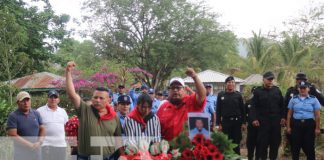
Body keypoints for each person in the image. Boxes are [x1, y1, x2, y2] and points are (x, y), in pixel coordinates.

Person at [65, 61, 122, 160]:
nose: (97, 100)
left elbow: (118, 138)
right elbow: (72, 95)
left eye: (101, 98)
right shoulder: (85, 110)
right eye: (95, 97)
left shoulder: (114, 117)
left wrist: (122, 155)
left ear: (109, 100)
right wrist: (68, 72)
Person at [156, 68, 206, 141]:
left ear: (184, 89)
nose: (175, 90)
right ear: (169, 91)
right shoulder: (163, 107)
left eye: (178, 88)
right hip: (167, 149)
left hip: (189, 149)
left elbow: (202, 95)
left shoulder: (192, 102)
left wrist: (194, 77)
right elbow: (157, 129)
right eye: (172, 88)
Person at [249, 71, 285, 160]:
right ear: (263, 79)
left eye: (271, 79)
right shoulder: (257, 91)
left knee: (275, 144)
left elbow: (282, 105)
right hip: (263, 122)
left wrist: (283, 117)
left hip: (275, 123)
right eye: (268, 79)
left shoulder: (277, 90)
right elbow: (253, 107)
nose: (270, 81)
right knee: (262, 145)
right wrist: (254, 119)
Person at [286, 81, 321, 160]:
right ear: (298, 89)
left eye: (304, 88)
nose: (302, 90)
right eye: (301, 88)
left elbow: (317, 115)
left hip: (309, 125)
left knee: (309, 146)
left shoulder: (314, 99)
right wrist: (288, 127)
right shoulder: (293, 99)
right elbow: (289, 114)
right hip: (296, 125)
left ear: (308, 89)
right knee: (295, 146)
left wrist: (317, 128)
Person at [7, 91, 45, 160]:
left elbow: (42, 129)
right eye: (23, 101)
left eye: (27, 100)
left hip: (36, 152)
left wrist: (40, 142)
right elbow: (12, 134)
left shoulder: (36, 113)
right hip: (21, 153)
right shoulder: (13, 116)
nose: (26, 103)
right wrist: (30, 145)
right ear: (18, 103)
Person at [216, 76, 245, 155]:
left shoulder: (238, 95)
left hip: (236, 122)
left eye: (232, 82)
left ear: (234, 84)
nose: (231, 84)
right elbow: (218, 110)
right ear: (226, 84)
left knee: (236, 143)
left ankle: (237, 157)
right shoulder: (221, 95)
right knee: (226, 142)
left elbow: (242, 110)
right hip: (225, 122)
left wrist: (243, 123)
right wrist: (218, 124)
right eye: (229, 82)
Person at [37, 90, 68, 160]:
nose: (53, 99)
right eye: (51, 97)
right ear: (47, 99)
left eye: (55, 97)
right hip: (46, 145)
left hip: (61, 145)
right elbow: (36, 128)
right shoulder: (39, 111)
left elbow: (66, 127)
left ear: (58, 100)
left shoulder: (63, 111)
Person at [245, 87, 259, 160]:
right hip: (251, 127)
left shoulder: (262, 102)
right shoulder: (248, 102)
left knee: (259, 145)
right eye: (254, 92)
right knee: (250, 144)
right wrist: (247, 121)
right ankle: (250, 157)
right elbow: (245, 114)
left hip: (260, 127)